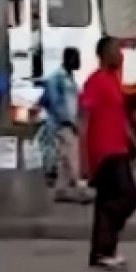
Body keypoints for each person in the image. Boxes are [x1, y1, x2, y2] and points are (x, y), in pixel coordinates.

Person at [80, 36, 136, 272]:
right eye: (116, 50)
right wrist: (82, 155)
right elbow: (84, 117)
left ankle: (102, 252)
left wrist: (133, 139)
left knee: (107, 200)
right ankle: (105, 246)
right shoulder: (95, 81)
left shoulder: (114, 80)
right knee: (127, 197)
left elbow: (119, 115)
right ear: (104, 54)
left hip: (119, 147)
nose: (121, 54)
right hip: (105, 150)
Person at [38, 47, 86, 202]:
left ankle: (62, 190)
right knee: (71, 157)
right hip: (62, 124)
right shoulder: (57, 78)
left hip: (68, 123)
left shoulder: (68, 78)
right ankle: (78, 189)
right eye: (76, 58)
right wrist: (66, 120)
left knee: (65, 158)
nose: (79, 62)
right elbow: (52, 101)